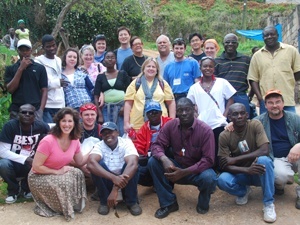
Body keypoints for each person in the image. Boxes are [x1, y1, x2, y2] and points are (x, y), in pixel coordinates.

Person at [148, 98, 216, 218]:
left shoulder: (205, 130)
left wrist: (184, 172)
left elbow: (209, 160)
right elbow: (156, 145)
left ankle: (204, 201)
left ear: (194, 109)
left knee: (209, 177)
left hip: (197, 171)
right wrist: (164, 159)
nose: (184, 113)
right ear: (176, 112)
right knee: (153, 161)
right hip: (176, 167)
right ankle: (169, 203)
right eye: (180, 110)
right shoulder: (171, 125)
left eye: (187, 109)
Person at [217, 103, 276, 223]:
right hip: (241, 173)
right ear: (229, 117)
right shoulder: (224, 135)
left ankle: (268, 204)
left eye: (242, 113)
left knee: (265, 160)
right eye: (235, 114)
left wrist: (235, 159)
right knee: (222, 180)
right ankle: (243, 191)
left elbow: (265, 150)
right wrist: (247, 170)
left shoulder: (255, 125)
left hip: (258, 172)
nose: (239, 116)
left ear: (247, 115)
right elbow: (224, 165)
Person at [28, 107, 88, 221]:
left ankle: (72, 204)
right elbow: (36, 166)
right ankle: (60, 208)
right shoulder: (48, 141)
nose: (67, 124)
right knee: (64, 181)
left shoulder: (75, 140)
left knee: (77, 173)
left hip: (58, 170)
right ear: (58, 122)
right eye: (63, 121)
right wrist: (57, 172)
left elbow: (80, 162)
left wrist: (94, 151)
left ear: (75, 123)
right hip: (39, 175)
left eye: (70, 121)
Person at [254, 89, 300, 209]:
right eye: (270, 102)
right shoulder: (259, 121)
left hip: (296, 155)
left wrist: (298, 145)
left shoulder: (295, 118)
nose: (274, 105)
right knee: (279, 176)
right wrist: (231, 124)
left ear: (283, 104)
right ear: (265, 105)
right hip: (277, 159)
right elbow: (244, 127)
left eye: (278, 102)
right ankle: (279, 186)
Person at [187, 56, 236, 167]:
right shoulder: (194, 88)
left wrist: (224, 115)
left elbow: (231, 99)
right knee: (206, 148)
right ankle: (209, 169)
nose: (208, 68)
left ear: (214, 68)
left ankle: (220, 169)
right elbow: (190, 105)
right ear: (200, 68)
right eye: (205, 66)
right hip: (203, 124)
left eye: (210, 66)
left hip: (220, 123)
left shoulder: (222, 82)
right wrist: (197, 117)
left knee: (220, 148)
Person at [87, 122, 142, 216]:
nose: (107, 135)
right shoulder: (99, 145)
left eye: (110, 132)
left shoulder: (126, 142)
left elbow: (133, 163)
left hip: (125, 181)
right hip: (108, 181)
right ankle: (104, 201)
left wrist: (115, 188)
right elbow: (90, 164)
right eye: (104, 133)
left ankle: (131, 201)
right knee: (97, 165)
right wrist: (113, 178)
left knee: (131, 166)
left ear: (117, 132)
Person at [0, 104, 49, 204]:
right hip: (12, 162)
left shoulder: (40, 126)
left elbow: (53, 133)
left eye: (30, 113)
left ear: (34, 116)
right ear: (18, 114)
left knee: (39, 160)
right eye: (23, 112)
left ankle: (27, 188)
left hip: (31, 162)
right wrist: (26, 159)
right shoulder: (10, 126)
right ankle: (13, 191)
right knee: (3, 164)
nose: (27, 115)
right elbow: (2, 151)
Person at [248, 25, 300, 114]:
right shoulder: (257, 56)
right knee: (266, 128)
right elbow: (253, 79)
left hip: (287, 100)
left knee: (291, 127)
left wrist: (288, 81)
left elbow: (297, 71)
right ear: (263, 38)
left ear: (278, 35)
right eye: (266, 35)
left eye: (272, 34)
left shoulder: (291, 51)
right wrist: (260, 98)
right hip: (266, 103)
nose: (269, 37)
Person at [124, 58, 175, 132]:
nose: (151, 68)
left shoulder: (163, 83)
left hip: (160, 124)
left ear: (157, 70)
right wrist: (126, 123)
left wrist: (172, 122)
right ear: (143, 69)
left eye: (153, 67)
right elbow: (128, 103)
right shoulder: (136, 83)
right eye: (148, 66)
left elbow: (171, 102)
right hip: (138, 124)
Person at [4, 39, 48, 121]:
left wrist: (40, 110)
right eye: (22, 50)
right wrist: (20, 69)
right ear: (18, 51)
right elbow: (10, 90)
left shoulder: (40, 68)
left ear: (31, 50)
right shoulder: (10, 69)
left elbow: (44, 90)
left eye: (27, 50)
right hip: (17, 111)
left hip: (35, 111)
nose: (25, 53)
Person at [133, 100, 172, 186]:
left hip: (168, 157)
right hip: (151, 159)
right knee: (136, 170)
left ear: (161, 113)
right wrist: (141, 156)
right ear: (146, 115)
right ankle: (156, 182)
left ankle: (167, 183)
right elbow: (139, 146)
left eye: (155, 112)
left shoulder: (170, 123)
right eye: (150, 113)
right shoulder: (143, 129)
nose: (153, 115)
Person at [94, 51, 131, 135]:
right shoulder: (100, 76)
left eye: (112, 57)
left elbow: (130, 92)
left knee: (122, 132)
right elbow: (96, 95)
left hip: (122, 108)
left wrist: (125, 106)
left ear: (115, 60)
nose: (110, 59)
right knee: (108, 133)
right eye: (107, 57)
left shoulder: (123, 74)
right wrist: (99, 114)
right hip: (106, 109)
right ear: (104, 60)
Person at [215, 33, 251, 116]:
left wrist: (250, 95)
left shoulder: (246, 60)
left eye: (233, 42)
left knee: (243, 122)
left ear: (237, 44)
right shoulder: (216, 61)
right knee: (224, 123)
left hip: (241, 95)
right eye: (227, 42)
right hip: (224, 98)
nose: (230, 44)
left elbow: (252, 78)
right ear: (223, 44)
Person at [35, 34, 65, 123]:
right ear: (43, 47)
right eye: (48, 46)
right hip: (47, 104)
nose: (52, 48)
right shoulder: (38, 62)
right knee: (49, 131)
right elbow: (40, 83)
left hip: (60, 103)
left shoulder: (58, 60)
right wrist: (57, 83)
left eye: (53, 45)